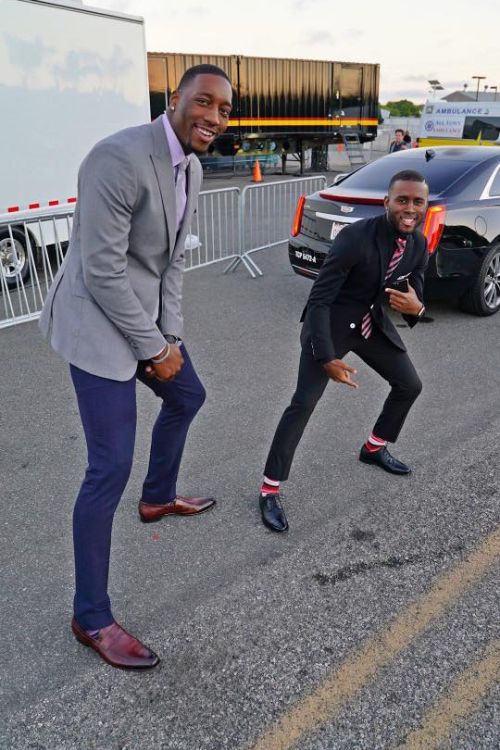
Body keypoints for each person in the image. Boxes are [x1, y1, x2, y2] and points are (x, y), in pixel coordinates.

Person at [39, 65, 233, 668]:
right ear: (173, 101)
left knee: (188, 394)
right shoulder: (117, 158)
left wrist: (168, 338)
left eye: (225, 110)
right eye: (203, 102)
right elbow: (100, 271)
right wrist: (153, 350)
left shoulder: (193, 168)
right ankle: (90, 616)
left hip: (144, 321)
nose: (214, 117)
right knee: (107, 468)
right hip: (97, 326)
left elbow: (171, 264)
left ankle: (158, 497)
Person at [258, 170, 429, 533]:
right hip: (331, 326)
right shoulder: (355, 238)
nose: (410, 208)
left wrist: (418, 308)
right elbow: (319, 300)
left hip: (370, 325)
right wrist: (326, 357)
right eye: (402, 200)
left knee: (409, 385)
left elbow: (416, 289)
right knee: (303, 402)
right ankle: (269, 488)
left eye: (418, 201)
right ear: (387, 203)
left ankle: (373, 447)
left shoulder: (418, 243)